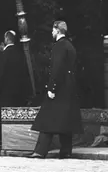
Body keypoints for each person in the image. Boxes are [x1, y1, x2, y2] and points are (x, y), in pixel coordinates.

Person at [30, 21, 82, 159]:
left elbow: (57, 68)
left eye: (53, 30)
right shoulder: (70, 45)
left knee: (47, 118)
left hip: (59, 87)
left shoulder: (59, 46)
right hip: (68, 88)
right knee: (65, 120)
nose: (52, 32)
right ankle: (66, 151)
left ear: (57, 30)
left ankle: (40, 151)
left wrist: (52, 88)